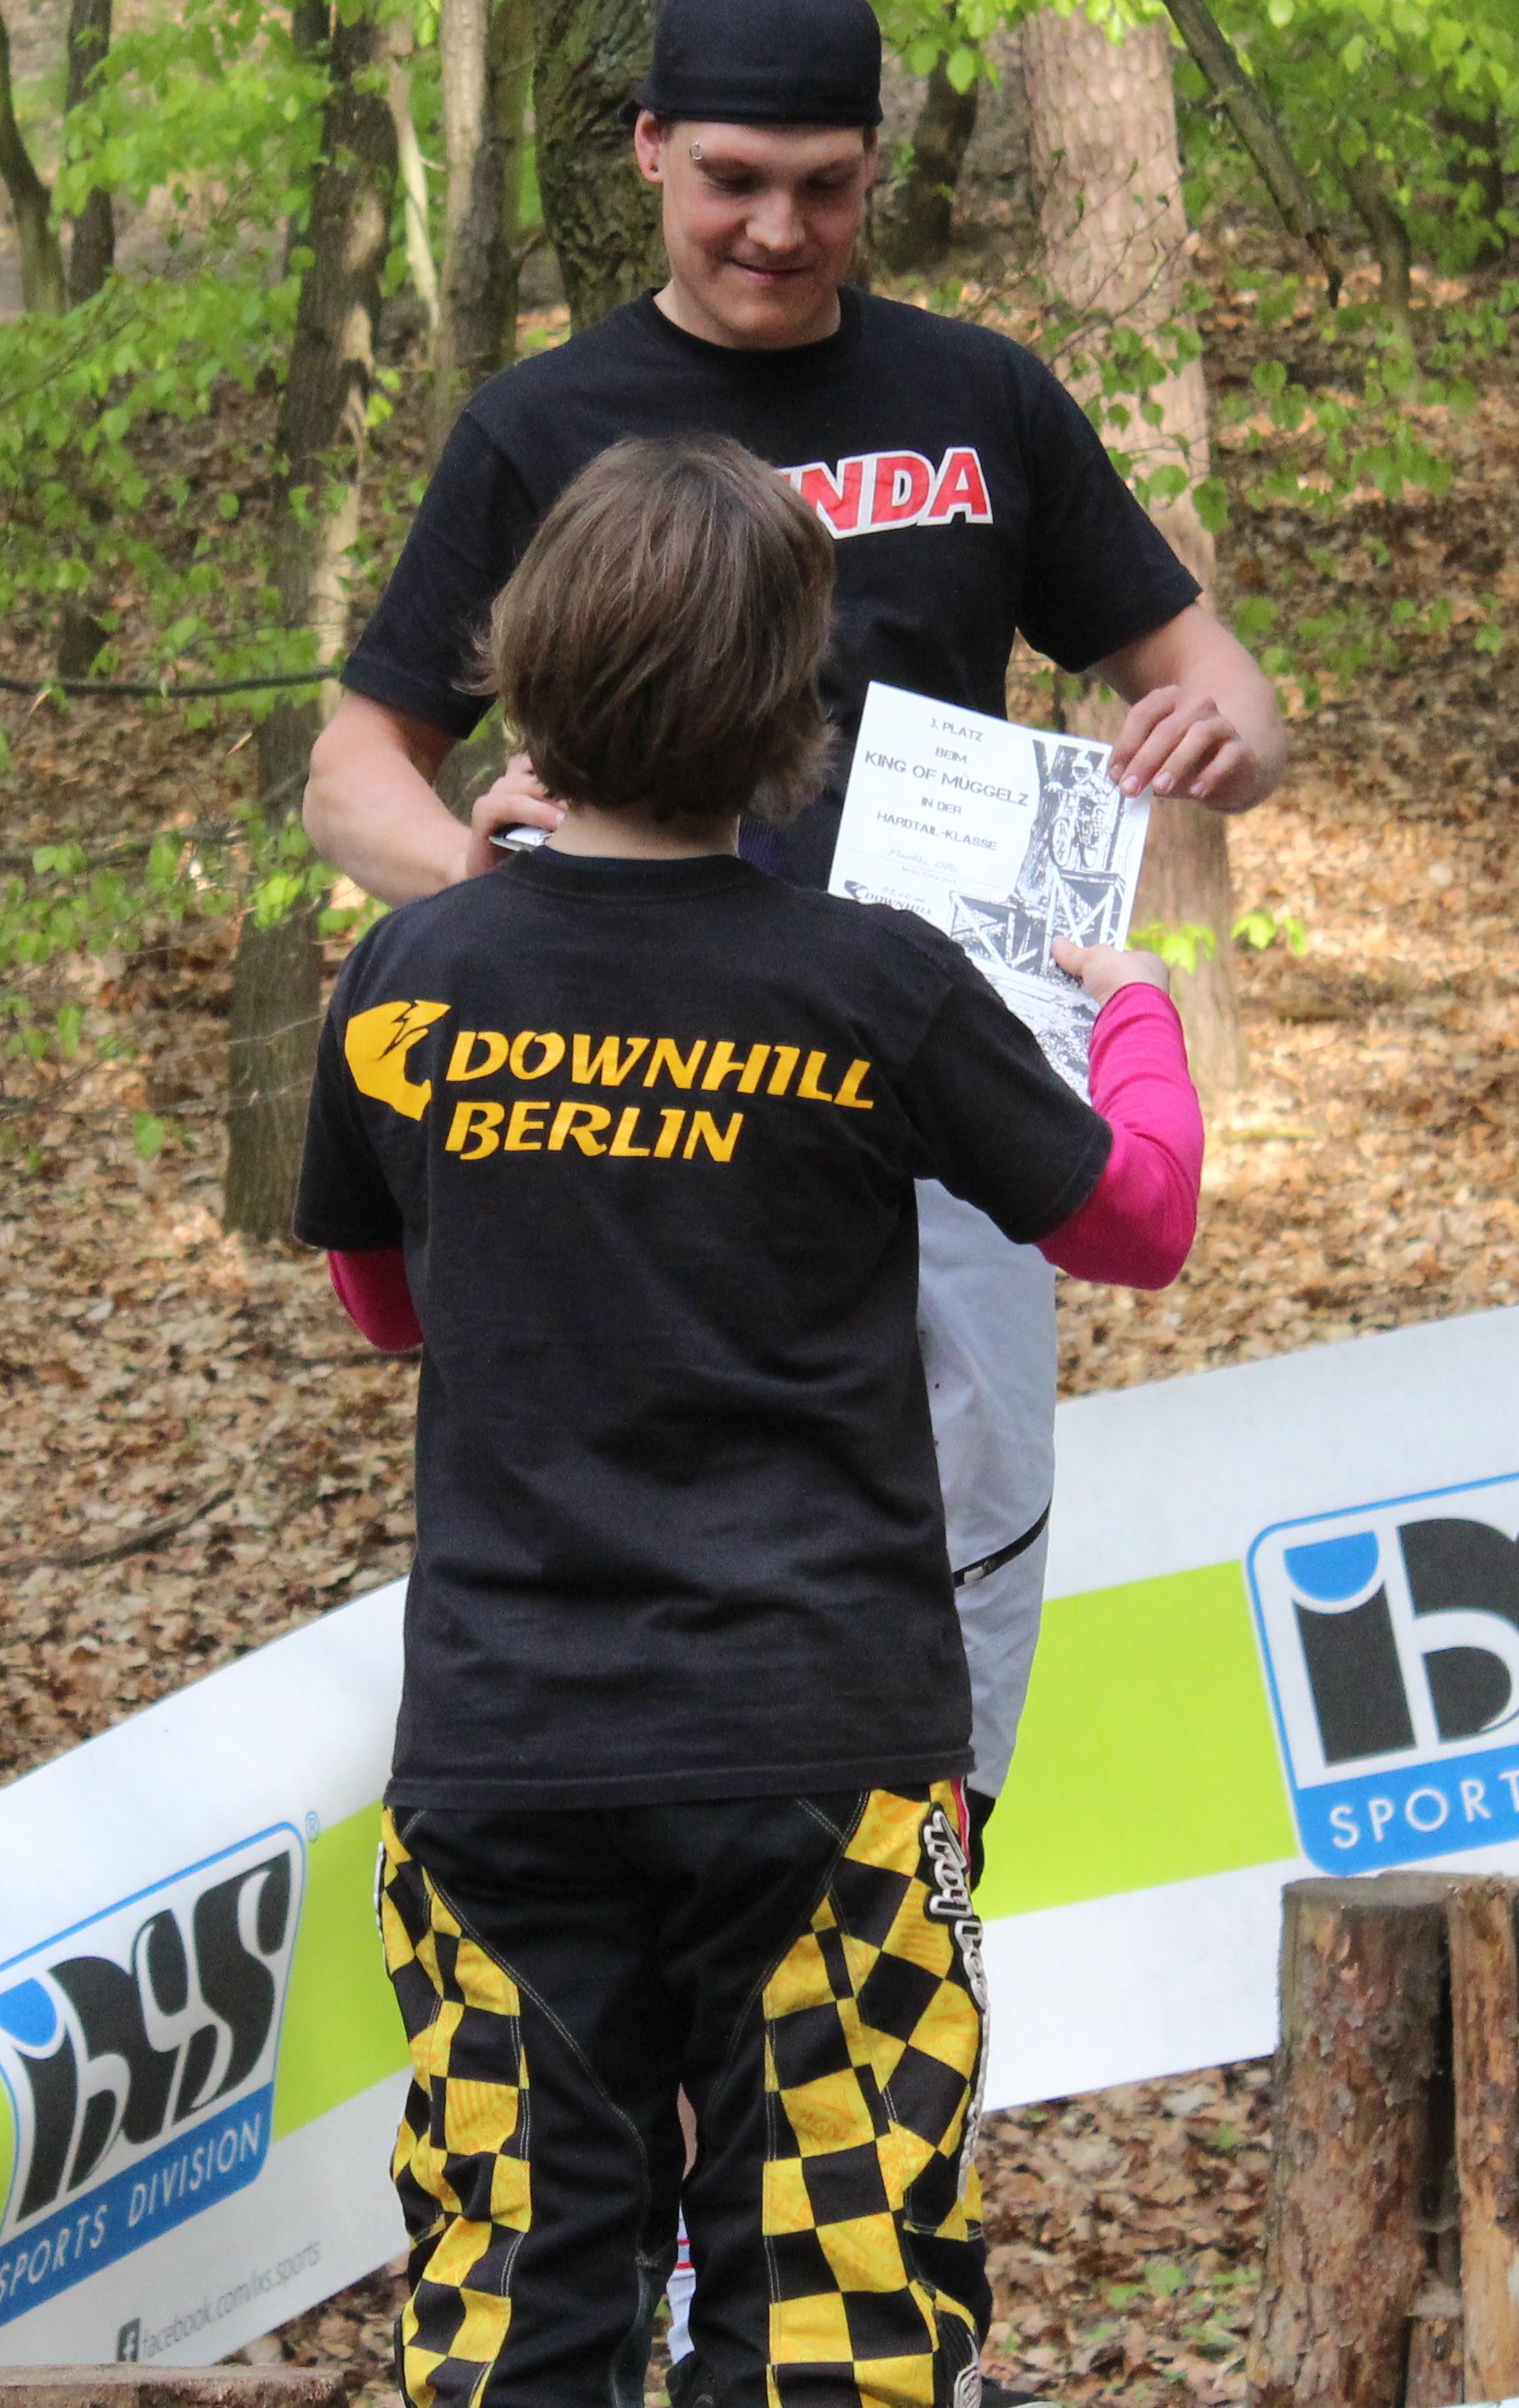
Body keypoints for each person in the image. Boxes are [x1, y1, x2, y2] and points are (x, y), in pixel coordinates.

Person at [306, 0, 1290, 1813]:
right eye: (733, 181)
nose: (777, 229)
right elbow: (352, 775)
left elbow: (1218, 682)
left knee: (966, 1570)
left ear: (872, 168)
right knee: (657, 1549)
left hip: (941, 1091)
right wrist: (486, 888)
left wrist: (1223, 735)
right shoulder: (542, 428)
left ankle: (922, 1898)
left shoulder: (980, 398)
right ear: (649, 150)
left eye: (824, 186)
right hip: (643, 1104)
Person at [297, 432, 1204, 2408]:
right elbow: (1137, 1219)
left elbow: (388, 1303)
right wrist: (1132, 1008)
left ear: (529, 676)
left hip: (506, 1748)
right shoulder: (873, 983)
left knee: (515, 2308)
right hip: (825, 1751)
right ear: (798, 703)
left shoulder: (409, 974)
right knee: (834, 2324)